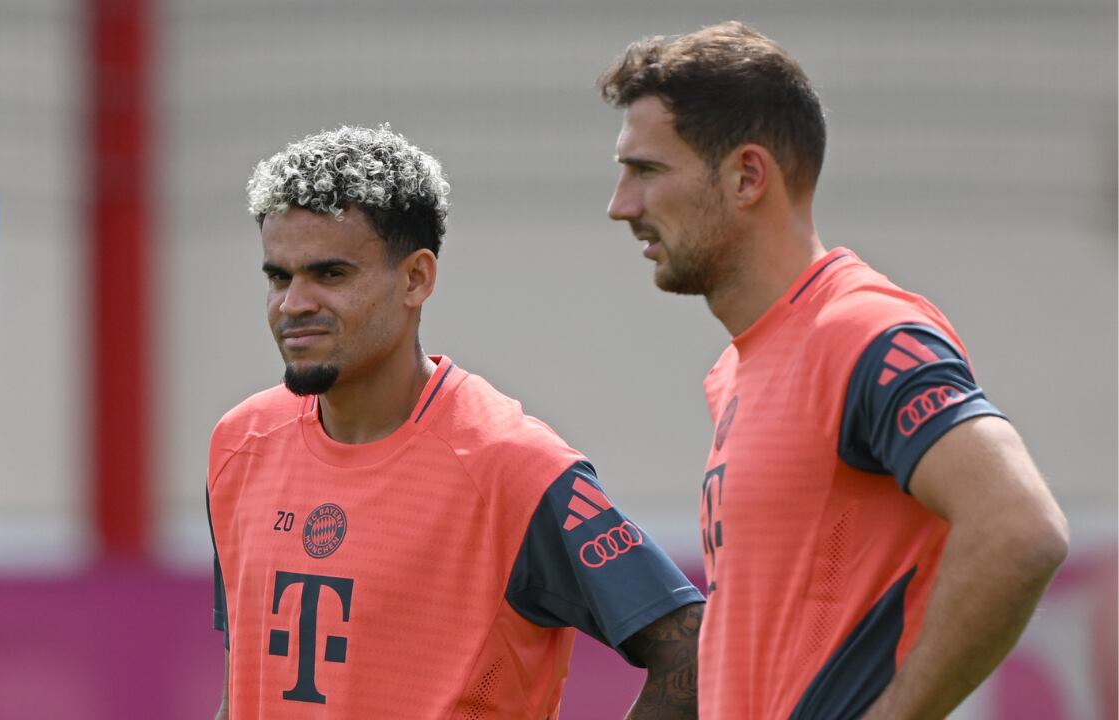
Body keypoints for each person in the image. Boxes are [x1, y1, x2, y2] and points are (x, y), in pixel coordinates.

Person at [597, 21, 1069, 720]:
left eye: (647, 171)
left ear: (748, 176)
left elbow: (1020, 528)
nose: (621, 205)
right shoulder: (738, 370)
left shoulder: (861, 331)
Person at [206, 125, 704, 719]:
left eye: (330, 274)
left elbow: (692, 652)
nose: (294, 304)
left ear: (416, 278)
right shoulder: (240, 445)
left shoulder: (515, 466)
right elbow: (246, 683)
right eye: (279, 277)